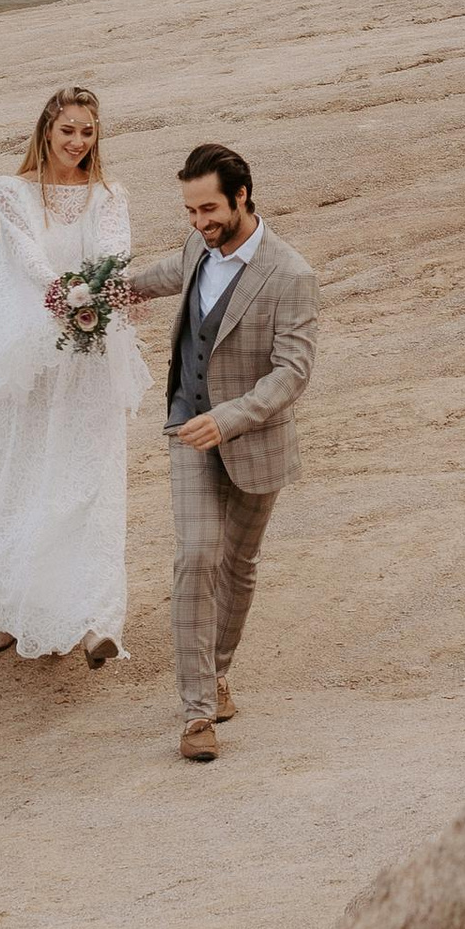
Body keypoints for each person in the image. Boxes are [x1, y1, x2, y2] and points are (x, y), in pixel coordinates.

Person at [0, 84, 146, 665]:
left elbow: (114, 251)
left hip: (89, 354)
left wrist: (94, 292)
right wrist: (67, 293)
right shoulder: (11, 191)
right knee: (20, 470)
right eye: (68, 130)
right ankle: (6, 608)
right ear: (46, 130)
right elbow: (28, 256)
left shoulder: (109, 195)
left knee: (86, 477)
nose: (77, 141)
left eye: (87, 132)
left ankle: (93, 619)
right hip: (33, 356)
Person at [125, 143, 318, 763]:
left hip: (255, 440)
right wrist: (96, 290)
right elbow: (163, 275)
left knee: (238, 565)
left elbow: (292, 372)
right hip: (188, 429)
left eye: (208, 209)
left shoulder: (291, 274)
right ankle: (197, 713)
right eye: (189, 211)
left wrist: (229, 418)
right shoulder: (196, 247)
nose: (198, 222)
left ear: (241, 196)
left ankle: (218, 673)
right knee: (196, 556)